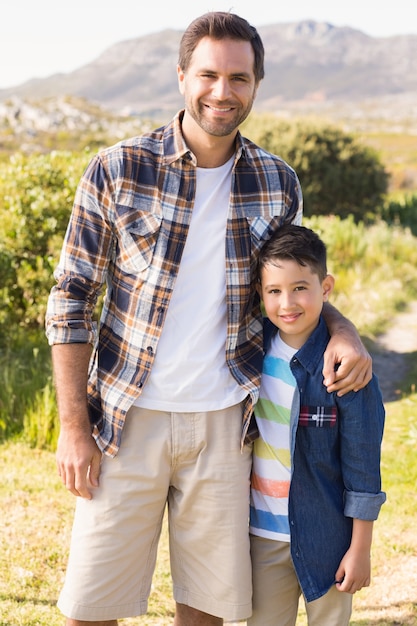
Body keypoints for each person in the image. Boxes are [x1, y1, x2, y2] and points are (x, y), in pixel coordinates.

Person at [45, 12, 372, 626]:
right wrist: (72, 427)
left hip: (228, 424)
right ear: (181, 78)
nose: (223, 92)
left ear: (256, 84)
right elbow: (71, 300)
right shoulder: (117, 169)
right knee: (91, 608)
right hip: (124, 421)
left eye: (239, 78)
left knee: (208, 614)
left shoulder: (278, 182)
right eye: (209, 75)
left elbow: (293, 291)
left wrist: (345, 330)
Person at [249, 224, 386, 626]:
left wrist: (360, 549)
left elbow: (363, 466)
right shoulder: (251, 353)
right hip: (262, 536)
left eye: (300, 288)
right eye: (274, 291)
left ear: (325, 288)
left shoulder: (347, 370)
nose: (287, 303)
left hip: (327, 538)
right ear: (260, 293)